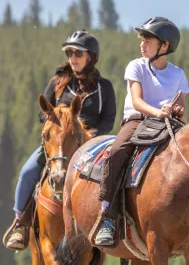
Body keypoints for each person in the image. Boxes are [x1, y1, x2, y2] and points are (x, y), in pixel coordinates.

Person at [3, 30, 117, 251]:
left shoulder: (104, 88)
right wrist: (58, 117)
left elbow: (108, 120)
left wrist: (93, 137)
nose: (72, 57)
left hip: (91, 145)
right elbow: (41, 113)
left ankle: (110, 222)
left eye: (77, 53)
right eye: (69, 53)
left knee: (113, 174)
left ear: (90, 57)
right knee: (27, 172)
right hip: (57, 145)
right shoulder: (57, 82)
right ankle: (21, 223)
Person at [95, 17, 189, 246]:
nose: (142, 44)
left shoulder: (178, 74)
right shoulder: (136, 66)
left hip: (169, 124)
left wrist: (176, 111)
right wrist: (158, 112)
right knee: (117, 152)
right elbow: (136, 101)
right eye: (142, 40)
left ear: (164, 46)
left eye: (148, 40)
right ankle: (107, 216)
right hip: (137, 121)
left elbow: (183, 111)